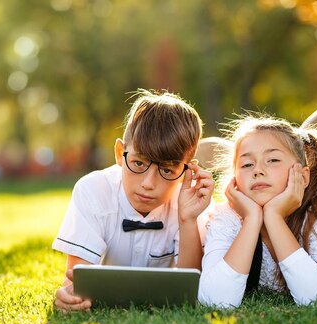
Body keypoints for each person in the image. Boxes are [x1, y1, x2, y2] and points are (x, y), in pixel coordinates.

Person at [53, 89, 215, 311]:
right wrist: (69, 295)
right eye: (139, 163)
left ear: (188, 169)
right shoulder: (93, 190)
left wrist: (187, 219)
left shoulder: (192, 201)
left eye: (167, 170)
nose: (148, 183)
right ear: (120, 153)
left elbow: (191, 290)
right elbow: (77, 280)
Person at [198, 114, 317, 308]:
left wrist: (273, 217)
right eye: (247, 164)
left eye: (273, 160)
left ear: (303, 176)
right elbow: (214, 300)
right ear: (235, 179)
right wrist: (252, 219)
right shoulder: (227, 216)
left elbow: (316, 298)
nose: (257, 170)